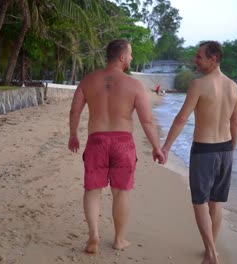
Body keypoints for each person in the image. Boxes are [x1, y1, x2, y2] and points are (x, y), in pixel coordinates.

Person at [68, 39, 165, 254]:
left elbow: (74, 111)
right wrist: (156, 147)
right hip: (123, 143)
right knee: (121, 192)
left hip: (97, 141)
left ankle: (93, 236)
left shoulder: (88, 81)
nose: (131, 58)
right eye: (130, 55)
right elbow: (147, 121)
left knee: (92, 190)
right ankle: (119, 239)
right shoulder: (134, 85)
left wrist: (73, 134)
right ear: (122, 57)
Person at [161, 41, 237, 264]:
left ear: (212, 59)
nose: (195, 60)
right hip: (226, 149)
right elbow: (236, 124)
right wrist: (231, 150)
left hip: (204, 149)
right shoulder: (234, 87)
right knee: (216, 202)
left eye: (199, 56)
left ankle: (211, 253)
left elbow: (182, 118)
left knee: (200, 202)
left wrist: (166, 146)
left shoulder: (199, 85)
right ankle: (210, 250)